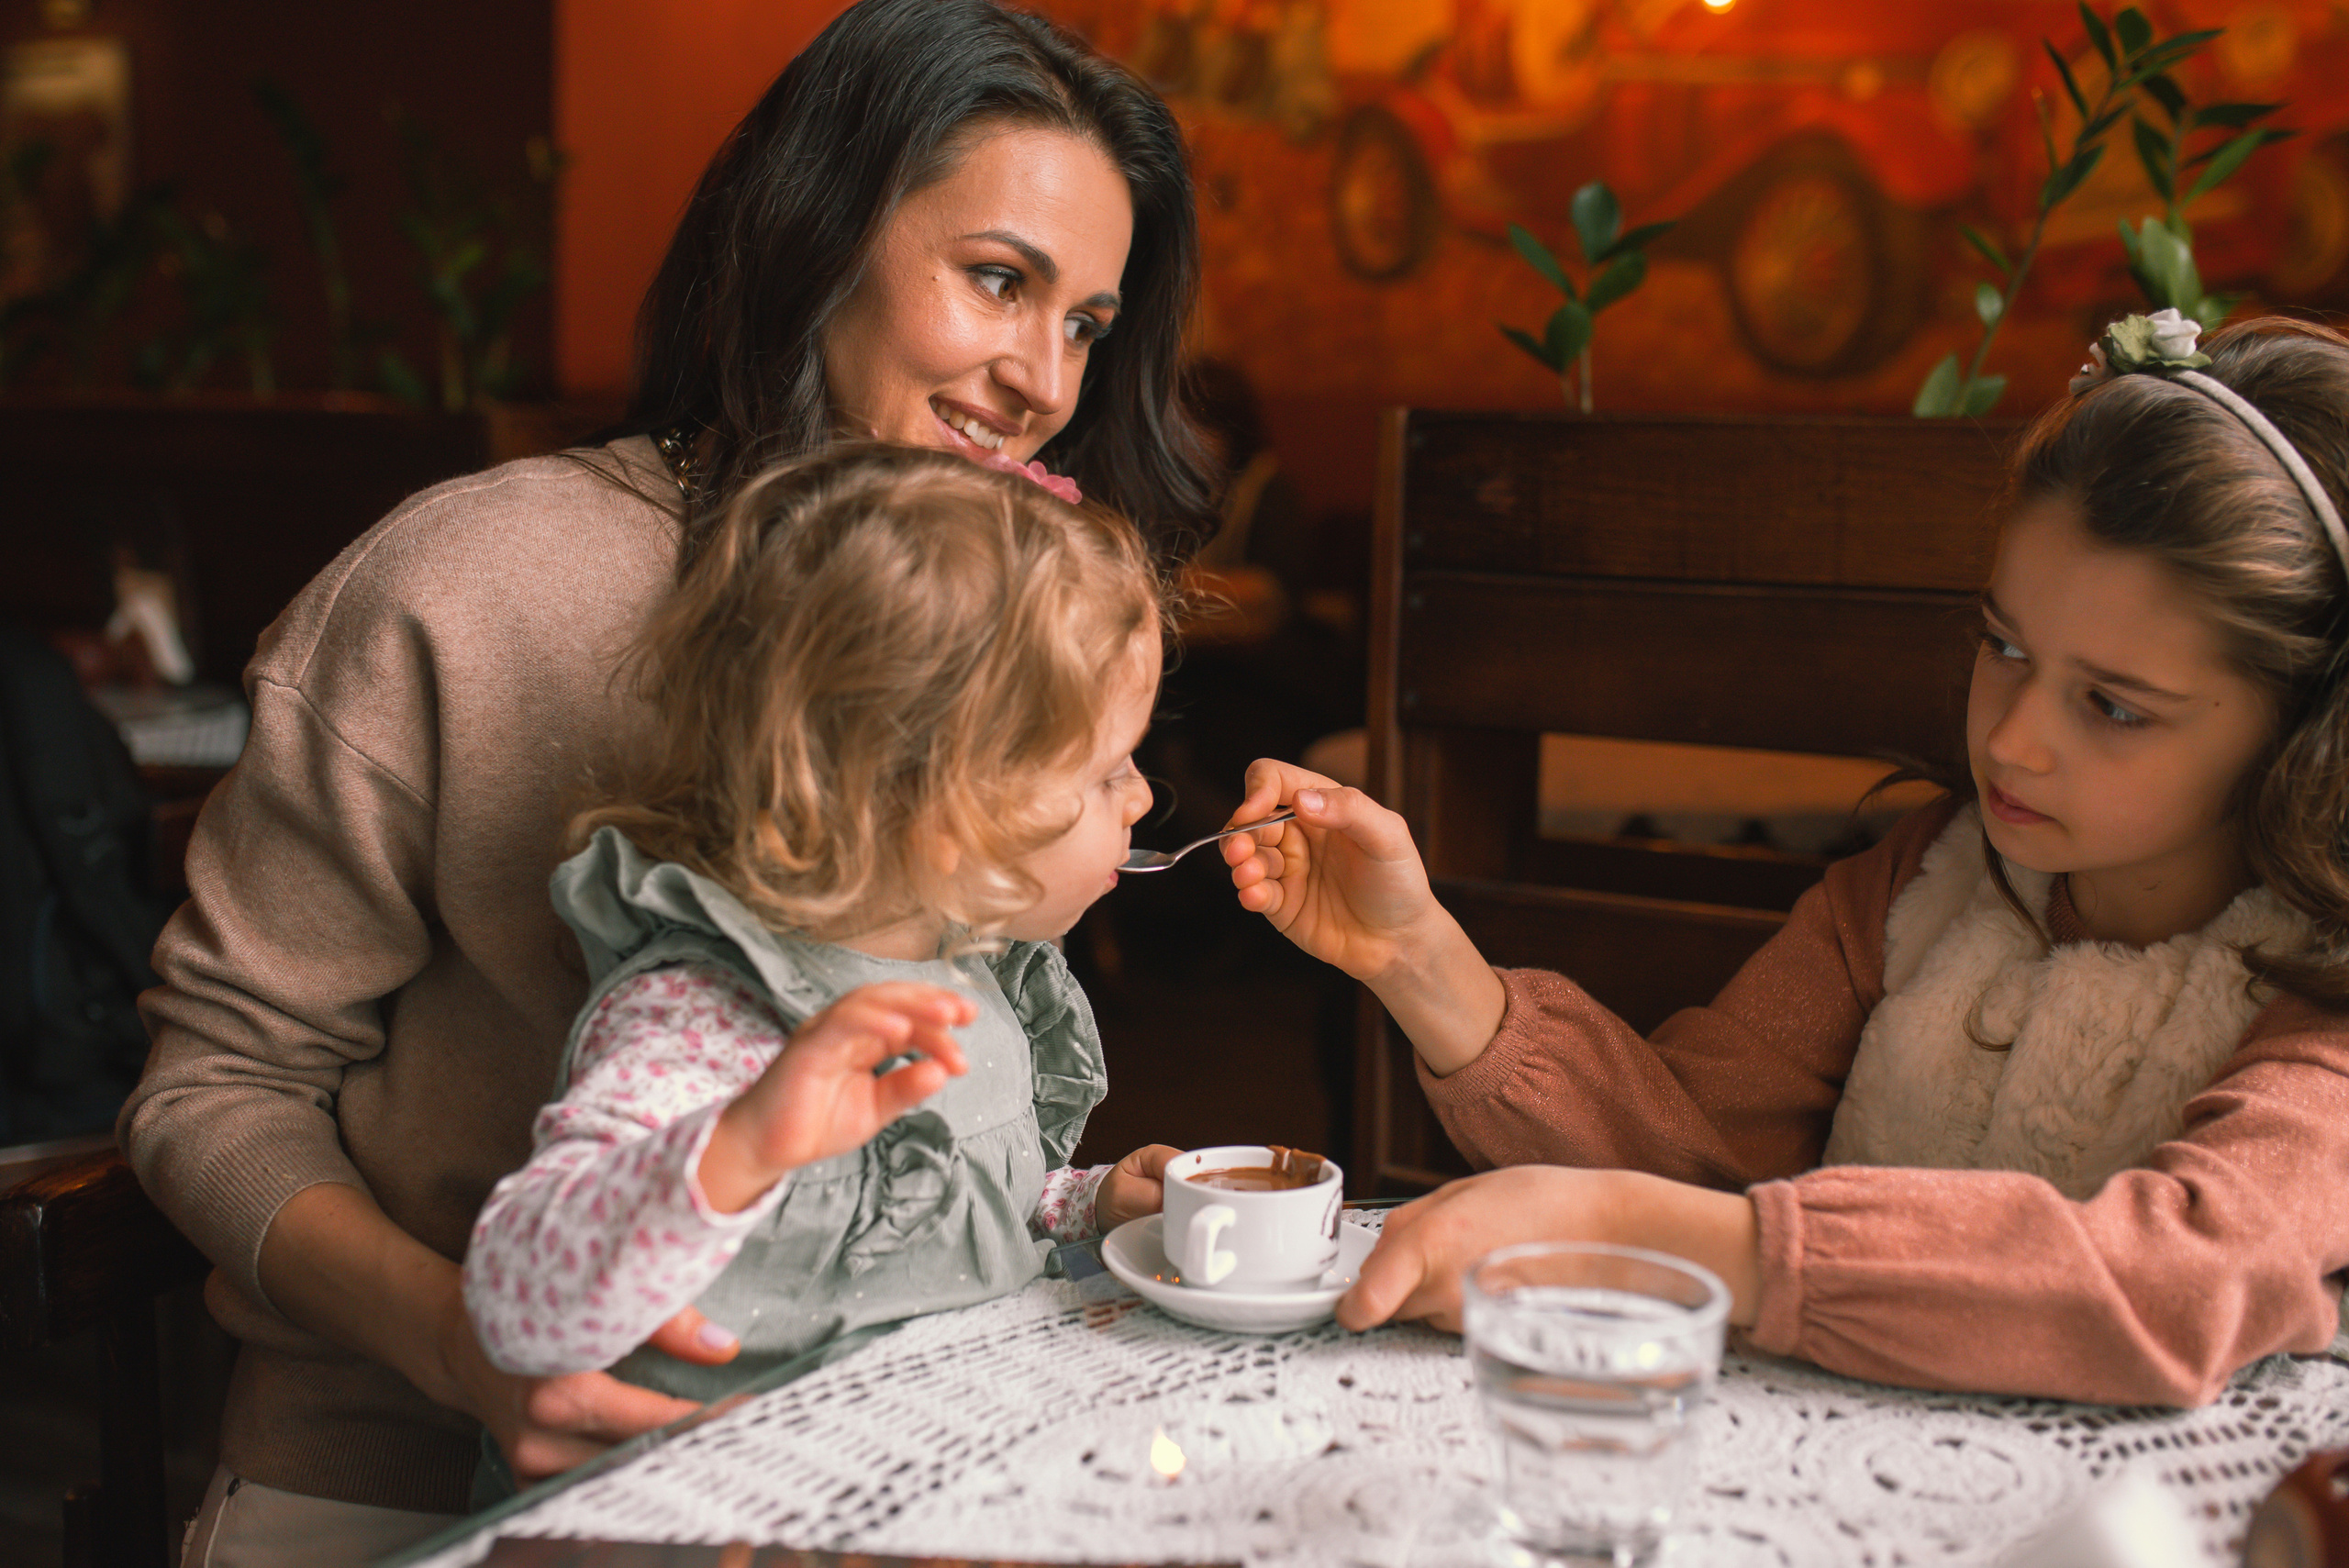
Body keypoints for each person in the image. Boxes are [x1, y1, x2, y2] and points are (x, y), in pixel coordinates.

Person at [132, 1, 1210, 1560]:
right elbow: (210, 1086)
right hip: (399, 1478)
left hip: (847, 1472)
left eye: (1088, 324)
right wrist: (461, 1342)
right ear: (818, 235)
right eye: (999, 281)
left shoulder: (994, 638)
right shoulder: (474, 578)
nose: (1046, 375)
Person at [1221, 313, 2349, 1407]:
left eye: (2111, 703)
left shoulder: (2322, 989)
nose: (2009, 738)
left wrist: (1632, 1235)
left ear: (2300, 732)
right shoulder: (1922, 887)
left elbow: (2184, 1274)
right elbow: (1692, 1162)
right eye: (2003, 646)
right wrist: (1419, 955)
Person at [463, 445, 1174, 1412]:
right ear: (942, 807)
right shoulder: (709, 1015)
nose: (1141, 796)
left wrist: (1084, 1205)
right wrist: (743, 1142)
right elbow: (517, 1302)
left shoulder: (971, 970)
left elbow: (937, 1222)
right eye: (1105, 772)